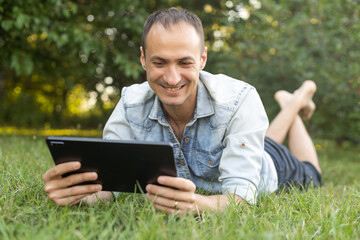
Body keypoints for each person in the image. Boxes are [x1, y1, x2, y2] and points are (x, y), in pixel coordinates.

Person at [42, 8, 321, 214]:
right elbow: (112, 184)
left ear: (202, 59)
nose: (172, 78)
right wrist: (81, 193)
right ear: (143, 58)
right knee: (267, 138)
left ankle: (296, 102)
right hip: (246, 141)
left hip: (268, 165)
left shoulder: (239, 100)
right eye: (160, 63)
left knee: (312, 173)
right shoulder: (130, 104)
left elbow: (242, 199)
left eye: (185, 63)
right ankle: (291, 103)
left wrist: (198, 204)